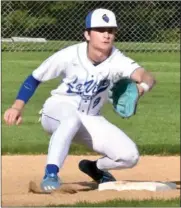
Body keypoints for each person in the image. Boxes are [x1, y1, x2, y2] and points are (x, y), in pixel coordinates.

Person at [4, 8, 156, 193]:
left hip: (91, 117)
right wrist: (17, 107)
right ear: (87, 34)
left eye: (110, 30)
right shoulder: (68, 55)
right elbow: (34, 78)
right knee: (70, 120)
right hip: (57, 110)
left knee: (129, 156)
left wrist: (142, 88)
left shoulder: (118, 59)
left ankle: (95, 168)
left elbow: (147, 77)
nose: (106, 35)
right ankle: (51, 174)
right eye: (100, 30)